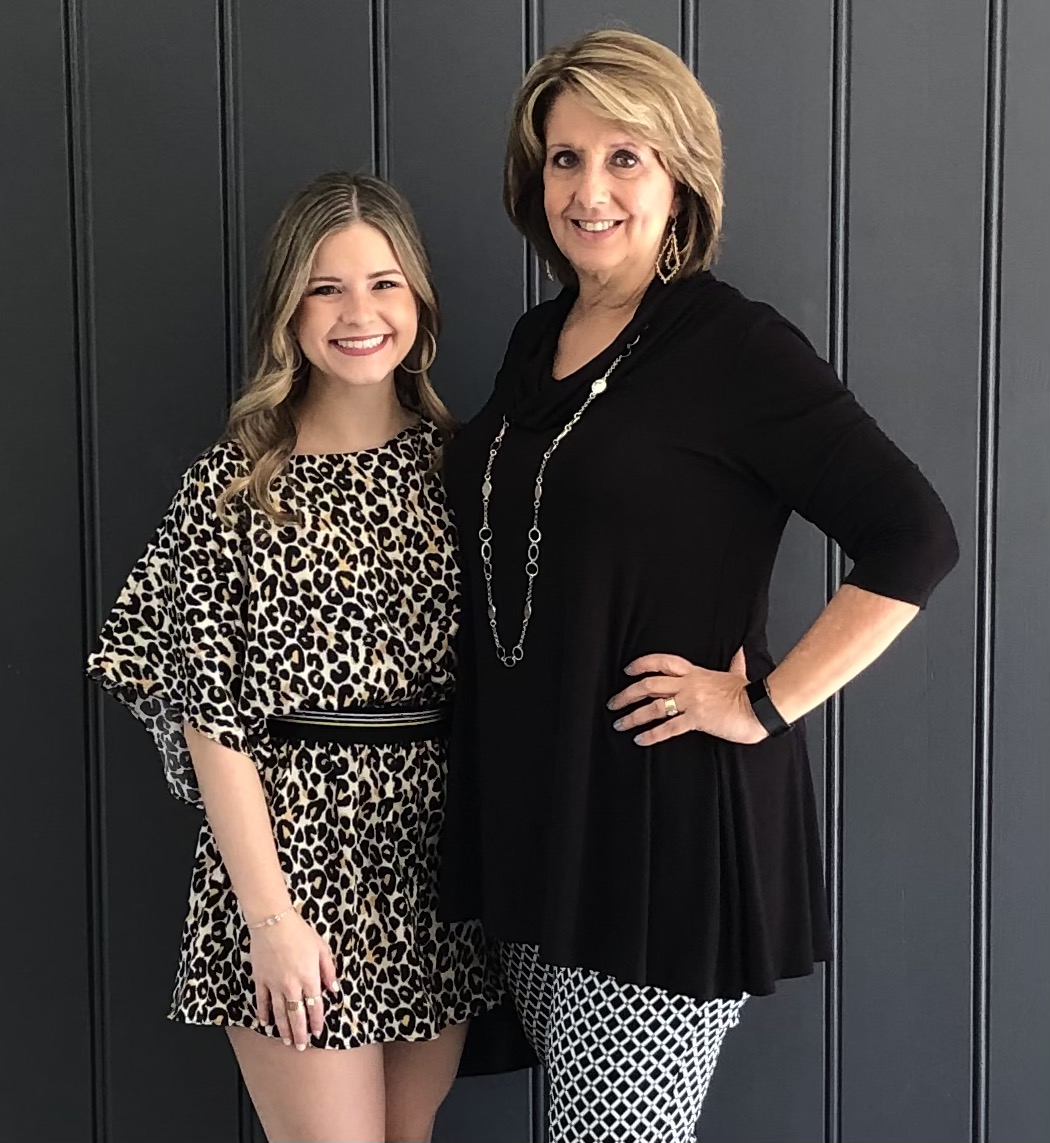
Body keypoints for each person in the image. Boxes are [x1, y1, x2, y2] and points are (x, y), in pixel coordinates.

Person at [437, 29, 959, 1143]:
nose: (589, 189)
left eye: (626, 157)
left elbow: (914, 536)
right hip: (543, 823)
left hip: (655, 840)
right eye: (565, 158)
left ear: (681, 178)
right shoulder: (541, 342)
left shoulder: (736, 350)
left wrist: (761, 704)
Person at [87, 171, 502, 1143]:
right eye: (327, 287)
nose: (359, 312)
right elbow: (207, 715)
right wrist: (269, 919)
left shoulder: (467, 472)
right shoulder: (233, 486)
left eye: (384, 283)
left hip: (434, 871)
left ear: (420, 303)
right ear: (289, 309)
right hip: (289, 866)